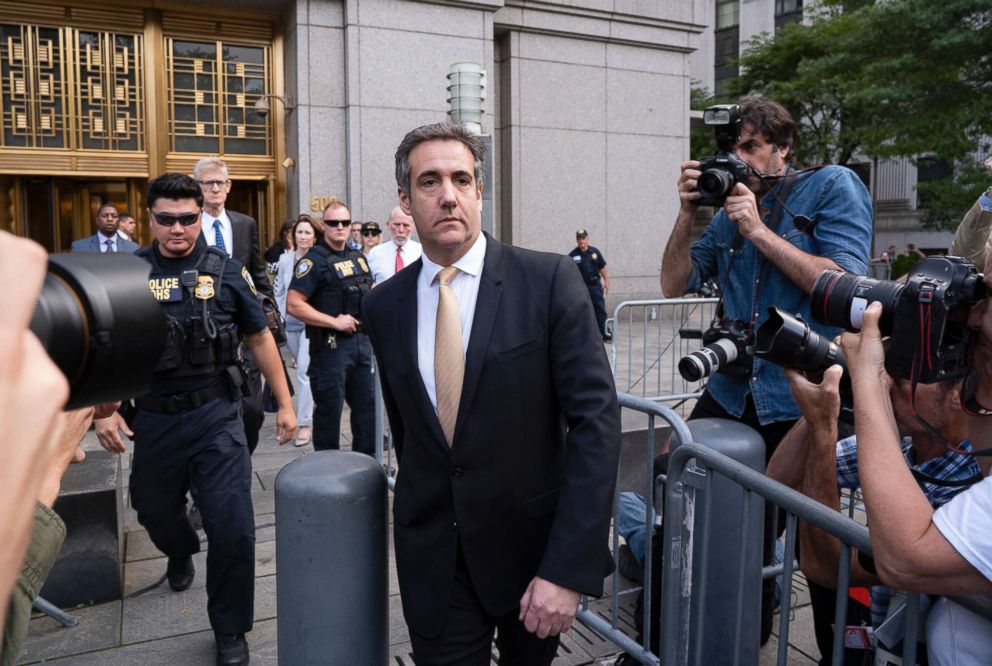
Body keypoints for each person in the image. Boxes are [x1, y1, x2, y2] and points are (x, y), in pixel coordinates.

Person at [363, 122, 621, 665]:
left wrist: (568, 568)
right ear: (405, 199)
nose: (448, 195)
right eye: (429, 181)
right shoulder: (384, 305)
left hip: (533, 559)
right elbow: (413, 432)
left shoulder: (547, 280)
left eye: (461, 178)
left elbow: (596, 424)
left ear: (480, 190)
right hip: (434, 558)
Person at [660, 95, 873, 642]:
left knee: (816, 535)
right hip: (733, 390)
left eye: (752, 146)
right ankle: (728, 637)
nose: (740, 159)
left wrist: (758, 231)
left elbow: (843, 285)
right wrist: (688, 214)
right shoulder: (731, 210)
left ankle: (839, 647)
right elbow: (674, 283)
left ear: (784, 148)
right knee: (698, 509)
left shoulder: (831, 186)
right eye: (732, 148)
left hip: (801, 395)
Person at [94, 173, 296, 666]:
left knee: (233, 525)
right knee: (153, 509)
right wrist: (103, 410)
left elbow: (259, 338)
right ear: (149, 218)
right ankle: (179, 549)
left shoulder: (226, 270)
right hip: (156, 418)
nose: (179, 228)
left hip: (216, 414)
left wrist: (286, 403)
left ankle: (230, 628)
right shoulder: (129, 272)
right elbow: (110, 348)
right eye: (167, 219)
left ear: (199, 216)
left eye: (189, 218)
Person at [768, 368, 979, 637]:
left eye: (906, 376)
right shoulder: (902, 446)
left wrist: (823, 428)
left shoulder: (969, 489)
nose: (887, 383)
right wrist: (831, 397)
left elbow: (830, 569)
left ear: (958, 394)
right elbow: (780, 477)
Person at [194, 156, 272, 456]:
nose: (214, 188)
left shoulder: (244, 223)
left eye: (220, 182)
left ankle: (240, 457)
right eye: (208, 183)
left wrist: (268, 310)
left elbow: (257, 269)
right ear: (198, 187)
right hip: (205, 327)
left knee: (253, 410)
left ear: (229, 186)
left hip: (246, 329)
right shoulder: (190, 225)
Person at [286, 199, 375, 454]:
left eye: (345, 222)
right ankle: (328, 474)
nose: (340, 227)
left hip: (361, 345)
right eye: (333, 223)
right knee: (329, 410)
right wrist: (333, 321)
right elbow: (293, 304)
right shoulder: (313, 262)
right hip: (330, 347)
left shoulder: (358, 258)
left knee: (366, 409)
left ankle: (365, 468)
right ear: (323, 226)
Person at [273, 215, 318, 447]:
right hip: (289, 323)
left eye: (307, 232)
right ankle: (311, 404)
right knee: (304, 371)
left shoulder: (318, 260)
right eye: (299, 232)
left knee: (303, 371)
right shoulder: (284, 259)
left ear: (314, 237)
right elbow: (279, 289)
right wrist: (281, 315)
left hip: (310, 324)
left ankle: (305, 423)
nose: (302, 236)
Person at [569, 228, 610, 341]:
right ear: (577, 240)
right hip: (581, 287)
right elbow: (569, 272)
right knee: (582, 311)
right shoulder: (573, 255)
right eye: (579, 239)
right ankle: (584, 335)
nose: (582, 241)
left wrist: (606, 281)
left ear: (587, 239)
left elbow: (602, 268)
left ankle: (605, 333)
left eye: (583, 238)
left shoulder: (595, 252)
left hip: (595, 286)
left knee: (600, 309)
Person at [366, 205, 423, 284]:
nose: (401, 230)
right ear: (388, 225)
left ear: (413, 226)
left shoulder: (422, 252)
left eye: (406, 225)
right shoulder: (375, 254)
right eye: (396, 224)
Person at [70, 204, 139, 254]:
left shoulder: (133, 248)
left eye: (114, 216)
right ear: (97, 220)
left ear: (118, 221)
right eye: (104, 216)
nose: (110, 219)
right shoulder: (80, 247)